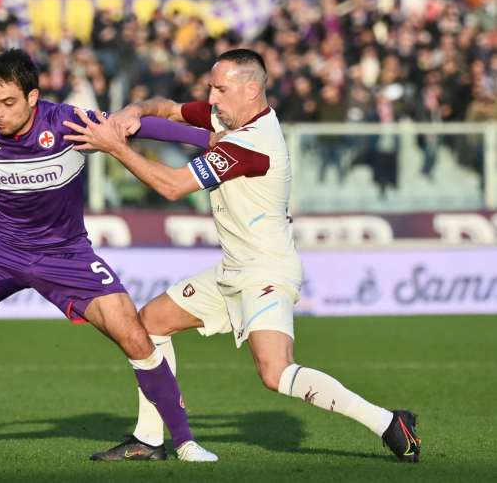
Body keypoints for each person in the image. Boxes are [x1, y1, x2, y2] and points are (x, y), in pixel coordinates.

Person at [64, 48, 421, 463]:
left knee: (275, 372)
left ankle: (388, 423)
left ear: (251, 89)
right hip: (233, 268)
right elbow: (170, 110)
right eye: (211, 88)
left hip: (265, 271)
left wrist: (115, 147)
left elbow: (173, 187)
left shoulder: (252, 145)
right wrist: (132, 111)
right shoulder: (232, 117)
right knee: (151, 322)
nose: (212, 98)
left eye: (220, 89)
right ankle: (149, 438)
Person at [0, 49, 218, 463]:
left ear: (33, 97)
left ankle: (183, 443)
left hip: (65, 255)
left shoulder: (65, 122)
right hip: (0, 248)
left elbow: (137, 127)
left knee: (134, 334)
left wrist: (208, 140)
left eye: (8, 102)